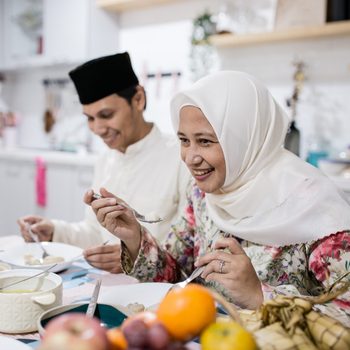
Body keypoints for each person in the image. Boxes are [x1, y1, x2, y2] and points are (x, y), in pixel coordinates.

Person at [85, 71, 350, 315]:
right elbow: (177, 273)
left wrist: (260, 296)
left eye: (205, 141)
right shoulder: (203, 194)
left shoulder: (311, 204)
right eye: (184, 140)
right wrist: (134, 237)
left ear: (245, 139)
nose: (190, 157)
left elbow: (345, 314)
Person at [18, 52, 190, 273]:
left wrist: (134, 254)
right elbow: (95, 233)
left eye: (106, 115)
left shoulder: (181, 157)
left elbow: (189, 251)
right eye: (90, 118)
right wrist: (53, 232)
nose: (98, 129)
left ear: (138, 99)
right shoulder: (106, 160)